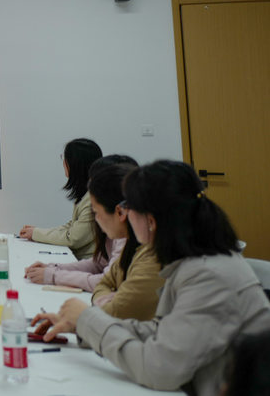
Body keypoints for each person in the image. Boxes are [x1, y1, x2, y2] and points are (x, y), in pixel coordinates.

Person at [32, 160, 270, 396]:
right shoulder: (189, 262)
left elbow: (159, 368)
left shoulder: (208, 275)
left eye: (129, 207)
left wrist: (88, 320)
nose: (125, 214)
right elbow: (161, 330)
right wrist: (82, 325)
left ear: (151, 221)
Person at [24, 155, 136, 293]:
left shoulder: (126, 236)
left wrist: (53, 275)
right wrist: (54, 268)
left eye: (96, 212)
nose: (96, 218)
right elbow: (99, 263)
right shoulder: (117, 228)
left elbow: (106, 282)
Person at [88, 163, 163, 320]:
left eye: (96, 212)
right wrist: (110, 298)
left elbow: (114, 313)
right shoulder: (134, 247)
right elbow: (104, 283)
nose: (96, 219)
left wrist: (107, 301)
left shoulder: (155, 257)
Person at [19, 138, 102, 259]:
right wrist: (36, 231)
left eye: (65, 158)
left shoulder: (93, 199)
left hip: (86, 262)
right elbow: (71, 226)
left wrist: (36, 233)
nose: (63, 162)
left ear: (75, 164)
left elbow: (72, 238)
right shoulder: (86, 194)